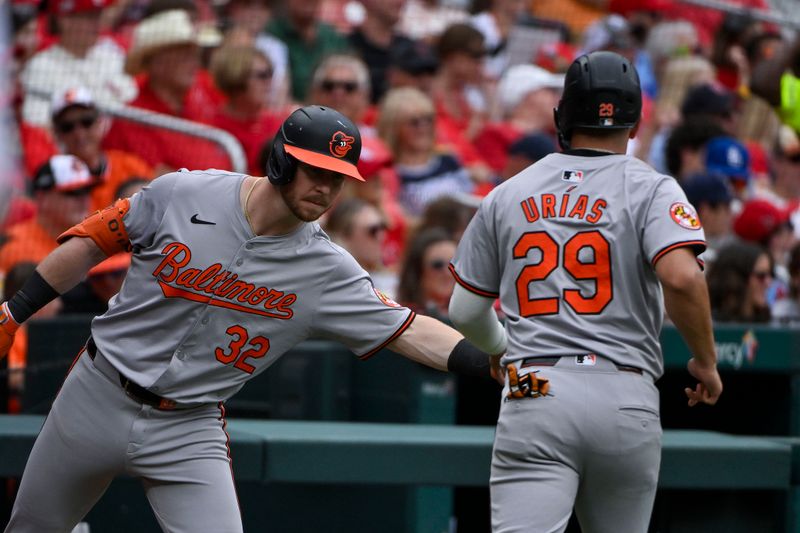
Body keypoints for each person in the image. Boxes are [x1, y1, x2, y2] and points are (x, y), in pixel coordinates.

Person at [0, 105, 497, 532]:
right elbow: (94, 240)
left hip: (188, 425)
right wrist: (15, 311)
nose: (326, 188)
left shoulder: (326, 269)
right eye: (316, 171)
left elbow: (408, 330)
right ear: (281, 160)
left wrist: (489, 361)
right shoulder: (184, 192)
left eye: (338, 178)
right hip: (99, 391)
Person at [447, 51, 723, 532]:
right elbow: (681, 276)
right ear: (635, 125)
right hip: (626, 390)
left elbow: (466, 310)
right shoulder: (653, 188)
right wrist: (705, 361)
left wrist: (499, 349)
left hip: (537, 387)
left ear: (562, 116)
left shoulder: (509, 191)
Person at [50, 86, 154, 212]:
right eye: (67, 127)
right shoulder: (52, 177)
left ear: (99, 123)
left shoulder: (129, 165)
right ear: (57, 133)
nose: (79, 134)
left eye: (86, 122)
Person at [396, 227, 458, 320]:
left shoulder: (470, 316)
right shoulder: (400, 317)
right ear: (417, 271)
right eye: (438, 265)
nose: (448, 273)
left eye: (454, 264)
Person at [707, 241, 773, 323]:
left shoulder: (775, 325)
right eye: (761, 276)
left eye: (771, 275)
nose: (768, 283)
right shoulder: (709, 324)